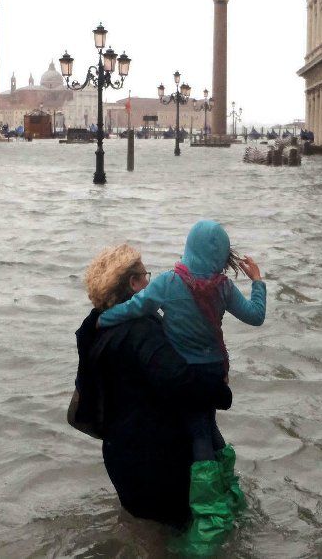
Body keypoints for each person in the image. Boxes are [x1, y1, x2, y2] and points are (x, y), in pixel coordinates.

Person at [98, 221, 266, 548]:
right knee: (210, 427)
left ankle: (209, 516)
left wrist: (103, 319)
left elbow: (137, 307)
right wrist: (257, 282)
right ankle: (231, 492)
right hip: (216, 371)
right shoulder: (223, 288)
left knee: (199, 431)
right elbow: (256, 315)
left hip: (185, 376)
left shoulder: (168, 282)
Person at [74, 244, 233, 530]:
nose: (150, 281)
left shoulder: (94, 328)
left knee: (145, 535)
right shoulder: (141, 330)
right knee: (176, 534)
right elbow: (179, 381)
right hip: (157, 462)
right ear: (134, 284)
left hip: (120, 456)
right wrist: (221, 391)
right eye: (145, 275)